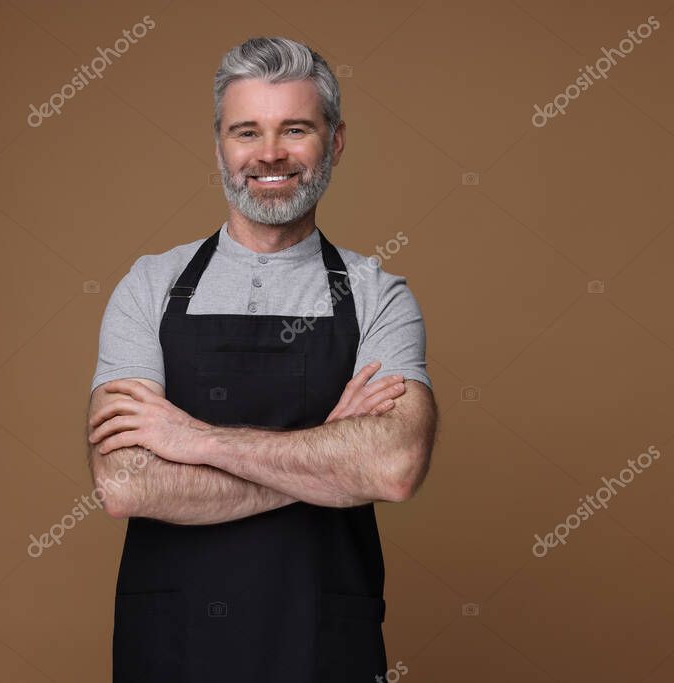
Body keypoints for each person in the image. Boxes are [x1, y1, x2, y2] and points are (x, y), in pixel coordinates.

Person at [86, 36, 438, 683]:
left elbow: (392, 466)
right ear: (220, 145)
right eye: (247, 131)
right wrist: (331, 456)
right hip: (172, 648)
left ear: (333, 143)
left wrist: (191, 439)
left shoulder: (377, 293)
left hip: (323, 648)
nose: (269, 153)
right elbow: (126, 482)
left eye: (295, 129)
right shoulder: (149, 285)